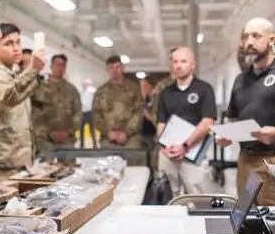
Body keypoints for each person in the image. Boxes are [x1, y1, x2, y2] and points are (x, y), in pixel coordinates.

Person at [216, 18, 275, 234]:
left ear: (271, 39)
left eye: (256, 36)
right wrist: (226, 134)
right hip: (245, 162)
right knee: (247, 224)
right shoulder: (241, 80)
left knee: (271, 229)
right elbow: (234, 117)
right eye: (245, 36)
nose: (249, 42)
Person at [0, 23, 45, 181]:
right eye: (8, 44)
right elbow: (7, 99)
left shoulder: (13, 76)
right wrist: (32, 69)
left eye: (18, 42)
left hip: (19, 164)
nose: (16, 48)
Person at [156, 46, 216, 195]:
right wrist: (164, 146)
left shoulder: (204, 89)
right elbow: (161, 121)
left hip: (193, 153)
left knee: (196, 197)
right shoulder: (166, 93)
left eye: (183, 61)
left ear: (193, 65)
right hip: (168, 154)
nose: (178, 65)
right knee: (169, 197)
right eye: (175, 62)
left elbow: (207, 121)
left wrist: (185, 145)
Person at [92, 55, 144, 153]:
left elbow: (139, 112)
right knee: (106, 163)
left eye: (118, 67)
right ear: (107, 70)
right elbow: (96, 115)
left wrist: (127, 132)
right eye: (111, 68)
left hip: (130, 139)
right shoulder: (100, 92)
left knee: (133, 162)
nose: (115, 71)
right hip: (107, 139)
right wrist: (108, 132)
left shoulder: (134, 88)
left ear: (123, 68)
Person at [33, 54, 81, 157]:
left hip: (67, 142)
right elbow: (34, 114)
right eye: (57, 64)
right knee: (45, 167)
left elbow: (78, 113)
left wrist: (68, 132)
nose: (59, 67)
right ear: (51, 66)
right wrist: (48, 133)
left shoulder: (72, 90)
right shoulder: (40, 89)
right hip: (44, 142)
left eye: (62, 65)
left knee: (68, 167)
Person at [150, 48, 176, 124]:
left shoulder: (194, 85)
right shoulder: (161, 86)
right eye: (171, 59)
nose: (174, 62)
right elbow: (155, 113)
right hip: (168, 128)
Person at [79, 78, 97, 148]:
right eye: (83, 84)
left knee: (92, 129)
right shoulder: (81, 92)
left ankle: (95, 145)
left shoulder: (92, 91)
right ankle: (81, 145)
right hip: (82, 112)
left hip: (90, 112)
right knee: (81, 129)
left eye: (86, 84)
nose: (84, 85)